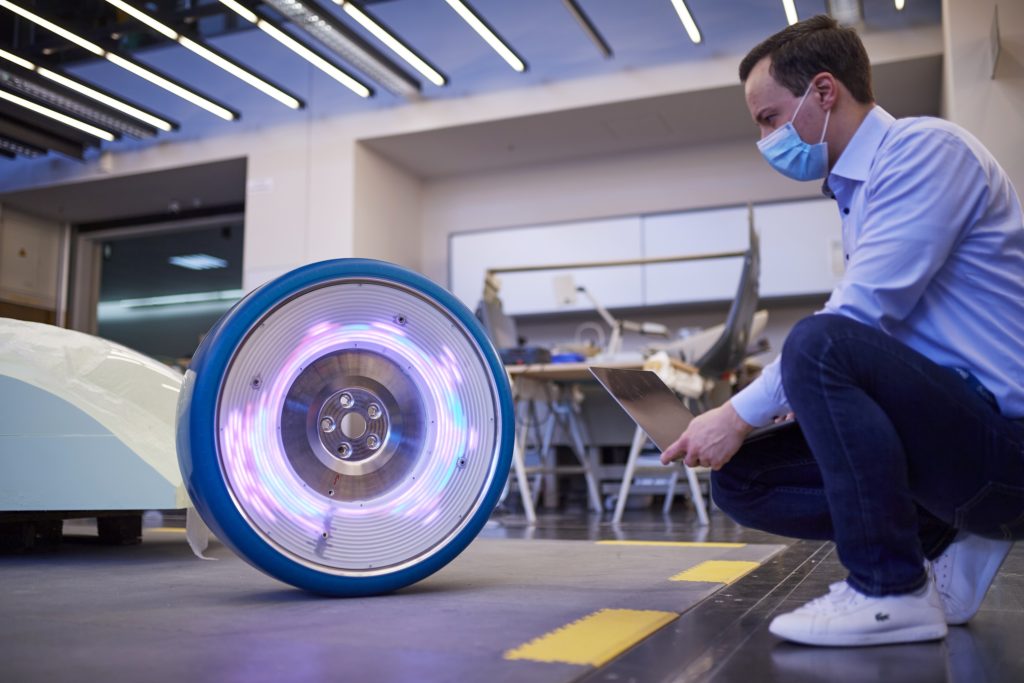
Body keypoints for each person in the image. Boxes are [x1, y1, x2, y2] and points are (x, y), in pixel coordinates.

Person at [661, 14, 1024, 647]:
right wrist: (801, 402)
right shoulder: (858, 195)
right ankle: (944, 541)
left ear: (824, 92)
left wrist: (737, 413)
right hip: (959, 439)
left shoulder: (926, 151)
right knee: (742, 477)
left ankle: (889, 590)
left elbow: (855, 318)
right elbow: (901, 338)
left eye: (769, 118)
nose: (766, 139)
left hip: (1005, 448)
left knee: (819, 341)